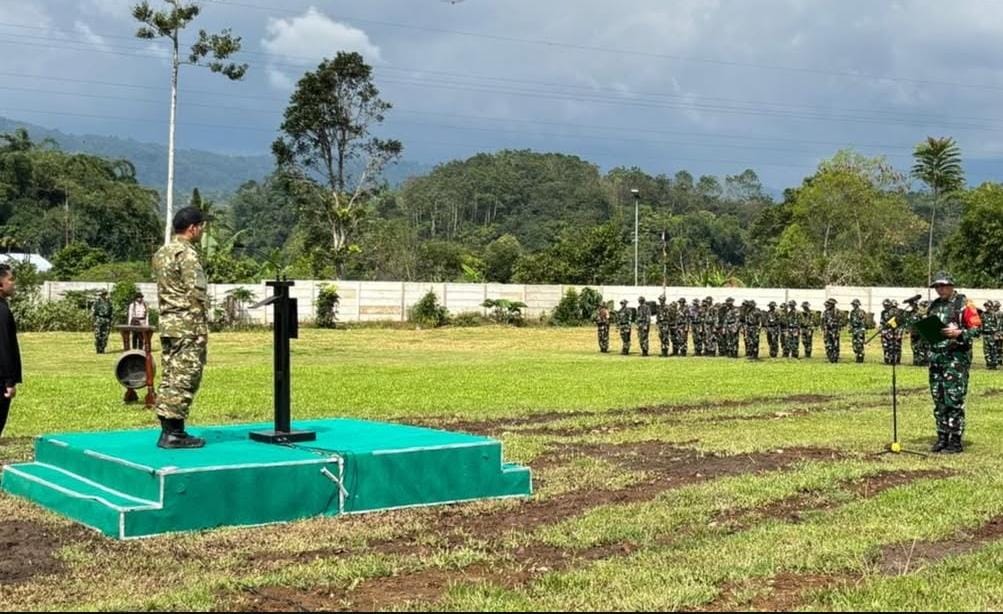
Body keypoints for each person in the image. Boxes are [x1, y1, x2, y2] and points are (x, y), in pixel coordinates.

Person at [151, 207, 211, 449]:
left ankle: (169, 429)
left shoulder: (161, 253)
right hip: (187, 324)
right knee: (185, 376)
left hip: (168, 322)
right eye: (202, 227)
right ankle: (174, 433)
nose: (202, 232)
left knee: (170, 376)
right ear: (193, 228)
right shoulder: (187, 254)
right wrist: (201, 326)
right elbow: (196, 292)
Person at [926, 272, 981, 454]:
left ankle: (955, 440)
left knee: (954, 399)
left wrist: (960, 333)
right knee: (939, 399)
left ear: (951, 285)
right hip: (937, 359)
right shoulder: (933, 306)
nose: (940, 289)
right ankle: (942, 437)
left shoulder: (963, 304)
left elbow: (977, 328)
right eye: (937, 287)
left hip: (955, 360)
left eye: (943, 286)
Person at [0, 264, 21, 439]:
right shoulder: (2, 311)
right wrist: (9, 381)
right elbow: (4, 347)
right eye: (10, 279)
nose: (13, 284)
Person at [92, 289, 113, 354]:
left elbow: (111, 311)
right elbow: (93, 311)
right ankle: (98, 349)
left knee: (105, 336)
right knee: (98, 336)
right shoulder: (97, 302)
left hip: (107, 320)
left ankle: (103, 349)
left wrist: (111, 320)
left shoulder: (109, 302)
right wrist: (94, 320)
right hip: (98, 319)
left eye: (105, 294)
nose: (104, 295)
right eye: (103, 294)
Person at [849, 298, 867, 363]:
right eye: (853, 304)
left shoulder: (861, 312)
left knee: (860, 344)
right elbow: (851, 321)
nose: (854, 306)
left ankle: (860, 358)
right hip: (854, 330)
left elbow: (862, 321)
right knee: (854, 344)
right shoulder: (852, 312)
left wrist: (862, 329)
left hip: (860, 330)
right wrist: (851, 327)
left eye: (855, 304)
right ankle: (857, 356)